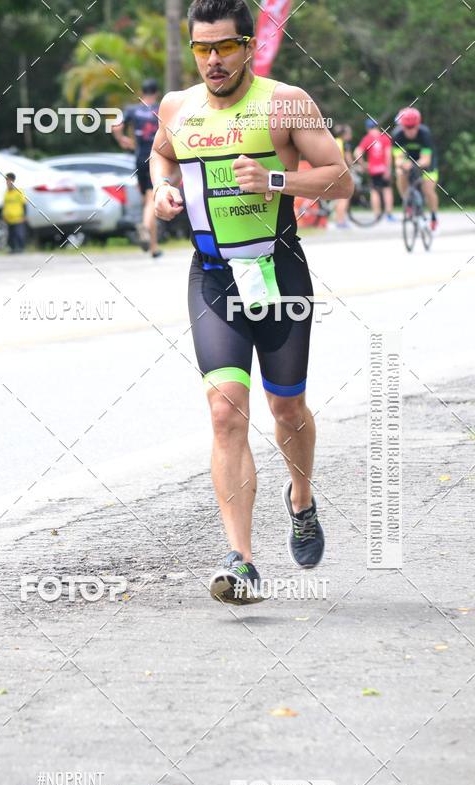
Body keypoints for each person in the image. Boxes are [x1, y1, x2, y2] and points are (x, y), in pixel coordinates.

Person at [151, 0, 353, 604]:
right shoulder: (177, 108)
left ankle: (302, 498)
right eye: (201, 49)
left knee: (286, 410)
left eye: (225, 48)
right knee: (224, 412)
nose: (213, 61)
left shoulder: (285, 101)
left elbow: (341, 177)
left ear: (246, 45)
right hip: (212, 276)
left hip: (279, 272)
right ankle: (241, 561)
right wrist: (163, 187)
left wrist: (272, 180)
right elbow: (163, 153)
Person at [113, 78, 163, 258]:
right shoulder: (160, 109)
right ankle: (144, 226)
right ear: (156, 92)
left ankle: (153, 247)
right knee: (152, 199)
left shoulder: (133, 110)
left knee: (147, 200)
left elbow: (116, 126)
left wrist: (122, 140)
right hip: (156, 158)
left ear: (142, 92)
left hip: (139, 158)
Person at [391, 107, 439, 231]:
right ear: (402, 126)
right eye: (407, 127)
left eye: (413, 127)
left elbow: (426, 160)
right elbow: (398, 159)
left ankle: (434, 217)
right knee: (400, 173)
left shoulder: (425, 134)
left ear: (418, 125)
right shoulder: (397, 135)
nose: (410, 131)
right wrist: (402, 164)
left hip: (427, 161)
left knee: (428, 189)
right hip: (409, 158)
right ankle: (407, 202)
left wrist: (413, 165)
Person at [354, 118, 395, 221]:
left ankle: (377, 214)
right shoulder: (385, 137)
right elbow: (388, 155)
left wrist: (363, 164)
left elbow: (357, 152)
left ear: (367, 128)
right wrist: (388, 169)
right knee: (387, 190)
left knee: (374, 191)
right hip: (383, 168)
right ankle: (389, 215)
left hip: (373, 169)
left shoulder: (367, 138)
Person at [333, 124, 353, 227]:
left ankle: (337, 218)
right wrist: (353, 167)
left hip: (333, 171)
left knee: (338, 196)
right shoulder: (345, 144)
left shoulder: (334, 141)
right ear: (345, 134)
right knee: (344, 196)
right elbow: (348, 159)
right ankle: (341, 221)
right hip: (342, 171)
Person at [3, 172, 27, 253]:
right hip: (9, 218)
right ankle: (12, 249)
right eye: (6, 180)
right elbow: (5, 204)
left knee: (19, 234)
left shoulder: (19, 191)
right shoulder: (7, 192)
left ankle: (21, 248)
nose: (7, 182)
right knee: (11, 235)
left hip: (18, 218)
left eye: (9, 180)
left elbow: (24, 204)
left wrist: (24, 216)